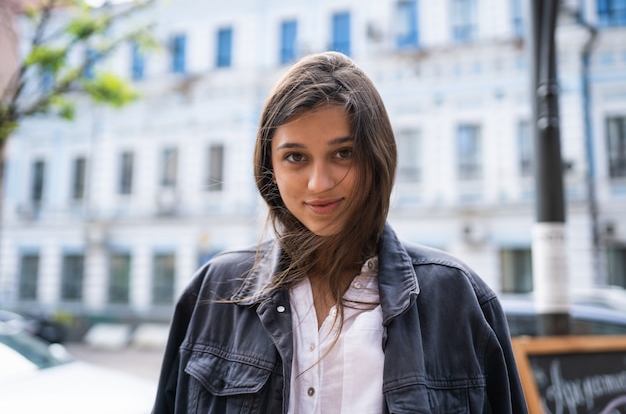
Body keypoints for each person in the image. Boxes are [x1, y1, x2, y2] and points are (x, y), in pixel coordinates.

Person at [151, 51, 528, 414]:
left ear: (376, 157)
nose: (319, 183)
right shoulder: (216, 289)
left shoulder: (458, 297)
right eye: (295, 157)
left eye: (343, 153)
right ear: (270, 167)